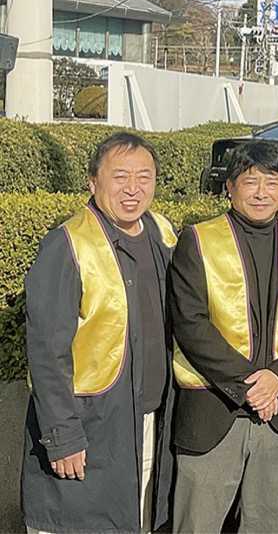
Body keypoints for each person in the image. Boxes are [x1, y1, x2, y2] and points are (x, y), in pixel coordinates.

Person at [22, 133, 177, 534]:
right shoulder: (68, 244)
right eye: (120, 176)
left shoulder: (161, 234)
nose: (133, 188)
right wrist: (62, 437)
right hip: (90, 428)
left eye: (144, 176)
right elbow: (46, 351)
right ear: (93, 182)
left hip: (147, 423)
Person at [168, 140, 278, 533]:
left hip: (277, 412)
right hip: (212, 409)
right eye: (251, 182)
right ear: (230, 187)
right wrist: (252, 386)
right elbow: (190, 323)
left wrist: (277, 378)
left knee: (264, 523)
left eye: (272, 183)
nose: (261, 193)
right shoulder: (197, 241)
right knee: (197, 523)